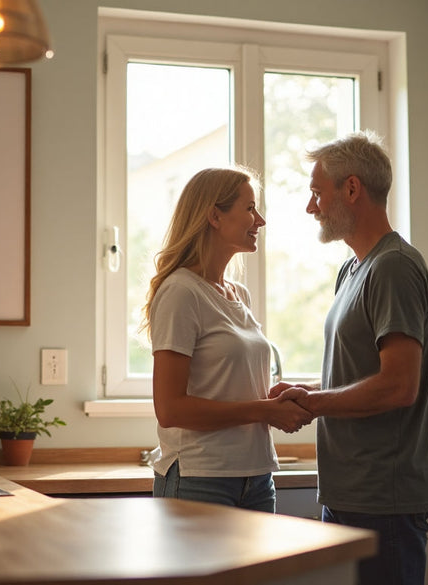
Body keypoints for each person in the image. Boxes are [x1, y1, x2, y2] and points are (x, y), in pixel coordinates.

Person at [272, 132, 428, 585]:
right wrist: (307, 393)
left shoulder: (394, 267)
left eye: (316, 193)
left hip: (383, 497)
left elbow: (399, 385)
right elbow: (361, 375)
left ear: (351, 189)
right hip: (352, 490)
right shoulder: (353, 269)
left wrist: (315, 405)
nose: (312, 207)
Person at [142, 166, 314, 513]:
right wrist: (263, 410)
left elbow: (229, 390)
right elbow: (170, 408)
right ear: (214, 217)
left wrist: (276, 399)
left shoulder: (239, 295)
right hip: (199, 479)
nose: (260, 220)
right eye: (249, 208)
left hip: (256, 477)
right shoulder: (181, 292)